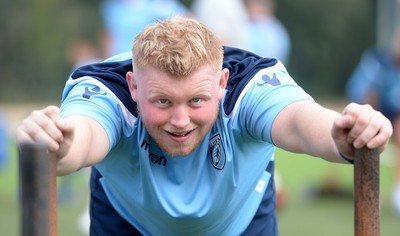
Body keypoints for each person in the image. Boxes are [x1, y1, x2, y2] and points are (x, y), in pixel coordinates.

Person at [16, 17, 392, 235]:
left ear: (222, 83)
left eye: (196, 101)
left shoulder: (253, 82)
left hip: (240, 224)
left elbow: (300, 122)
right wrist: (56, 144)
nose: (180, 121)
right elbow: (82, 139)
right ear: (133, 85)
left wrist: (343, 133)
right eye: (162, 101)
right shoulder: (103, 87)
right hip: (128, 222)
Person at [346, 29, 400, 215]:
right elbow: (363, 92)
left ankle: (398, 191)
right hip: (369, 109)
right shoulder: (376, 60)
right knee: (368, 127)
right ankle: (366, 190)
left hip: (395, 113)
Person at [100, 0, 189, 57]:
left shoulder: (157, 4)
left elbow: (186, 20)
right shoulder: (111, 6)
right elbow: (109, 38)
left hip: (149, 57)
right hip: (121, 58)